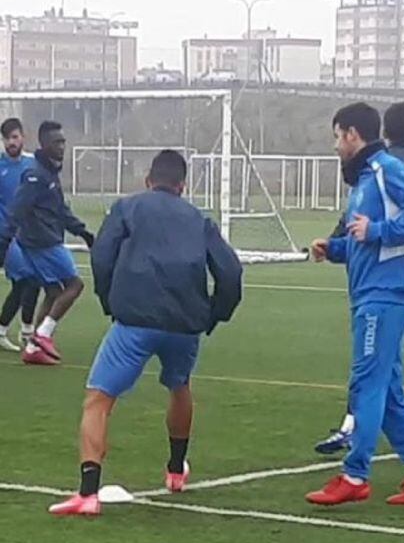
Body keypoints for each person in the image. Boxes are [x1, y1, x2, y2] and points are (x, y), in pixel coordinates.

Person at [48, 150, 243, 516]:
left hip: (135, 321)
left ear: (148, 181)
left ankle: (88, 493)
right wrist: (213, 316)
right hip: (185, 326)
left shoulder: (128, 208)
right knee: (179, 386)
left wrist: (110, 300)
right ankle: (175, 471)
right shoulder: (200, 220)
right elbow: (231, 274)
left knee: (99, 399)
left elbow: (102, 255)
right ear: (182, 187)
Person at [305, 102, 404, 507]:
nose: (335, 146)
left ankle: (355, 474)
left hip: (386, 294)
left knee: (366, 382)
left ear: (353, 134)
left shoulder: (388, 170)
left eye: (337, 137)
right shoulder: (365, 181)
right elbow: (362, 238)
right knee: (387, 391)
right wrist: (333, 248)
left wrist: (378, 230)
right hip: (370, 290)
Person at [0, 121, 94, 365]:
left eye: (63, 141)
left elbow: (61, 210)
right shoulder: (36, 175)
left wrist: (82, 232)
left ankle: (32, 345)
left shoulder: (48, 171)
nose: (62, 146)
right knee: (74, 286)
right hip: (42, 242)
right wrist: (4, 241)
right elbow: (17, 210)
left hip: (42, 239)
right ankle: (41, 335)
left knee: (53, 292)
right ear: (44, 144)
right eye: (57, 142)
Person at [0, 118, 40, 352]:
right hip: (5, 235)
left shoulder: (32, 164)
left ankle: (18, 330)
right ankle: (25, 332)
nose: (10, 142)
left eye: (14, 137)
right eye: (6, 139)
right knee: (28, 278)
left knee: (27, 281)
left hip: (29, 236)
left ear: (22, 137)